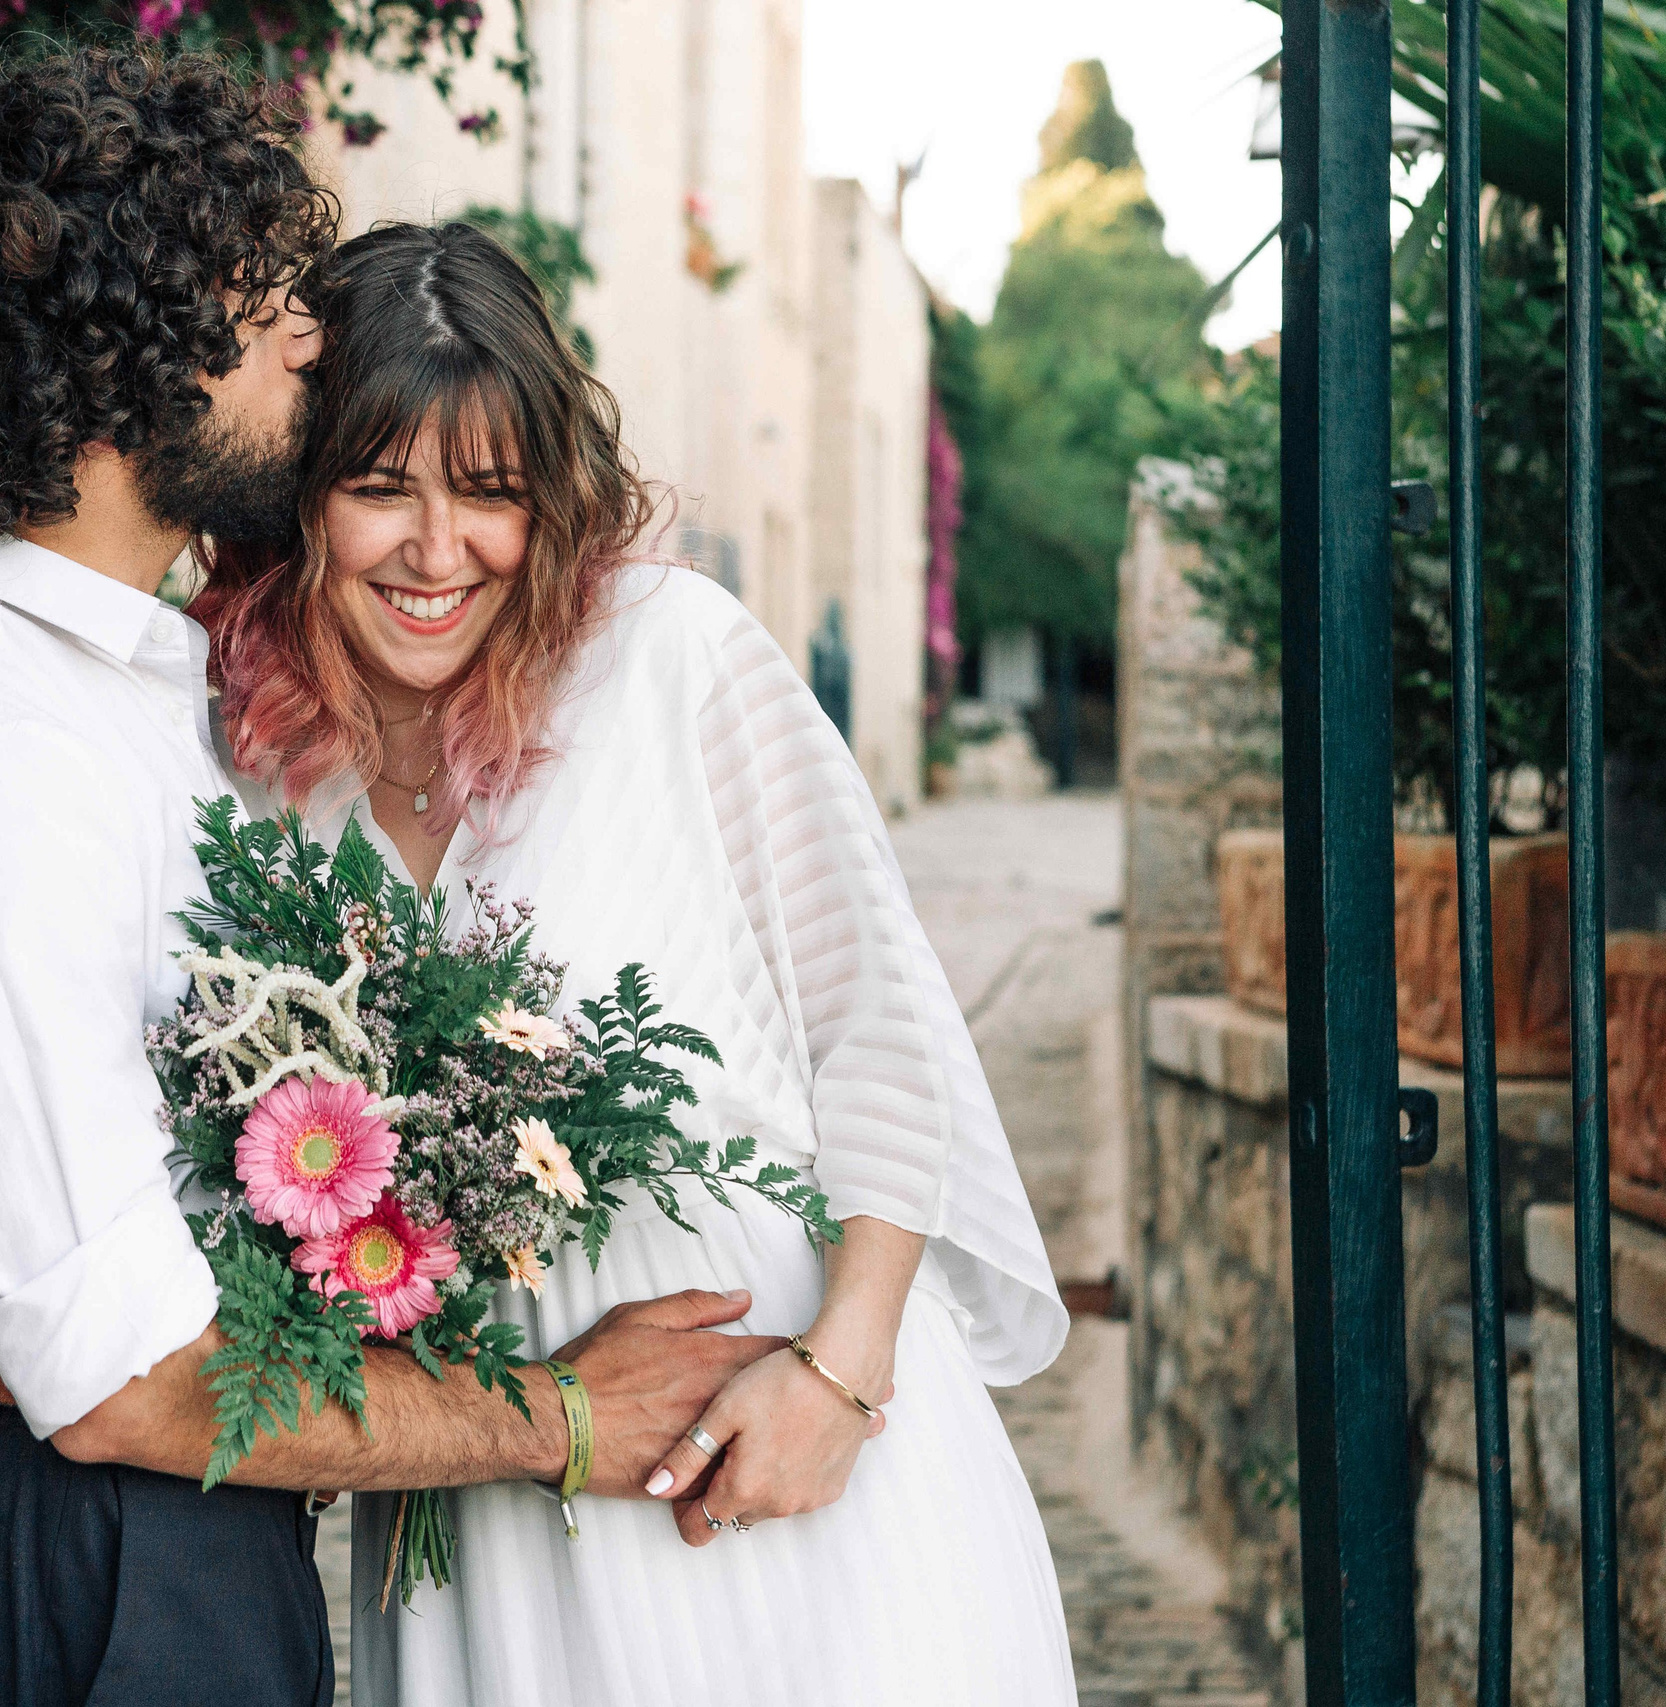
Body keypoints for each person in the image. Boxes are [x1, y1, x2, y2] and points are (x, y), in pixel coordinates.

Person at [0, 49, 784, 1707]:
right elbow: (119, 1377)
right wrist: (563, 1419)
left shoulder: (133, 695)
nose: (309, 347)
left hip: (180, 1531)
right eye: (266, 315)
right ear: (132, 356)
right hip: (72, 1549)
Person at [196, 220, 1081, 1706]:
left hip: (784, 1457)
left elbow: (882, 1029)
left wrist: (841, 1377)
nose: (436, 551)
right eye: (379, 488)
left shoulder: (673, 656)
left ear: (550, 501)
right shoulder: (256, 774)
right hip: (495, 1502)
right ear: (299, 498)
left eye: (490, 493)